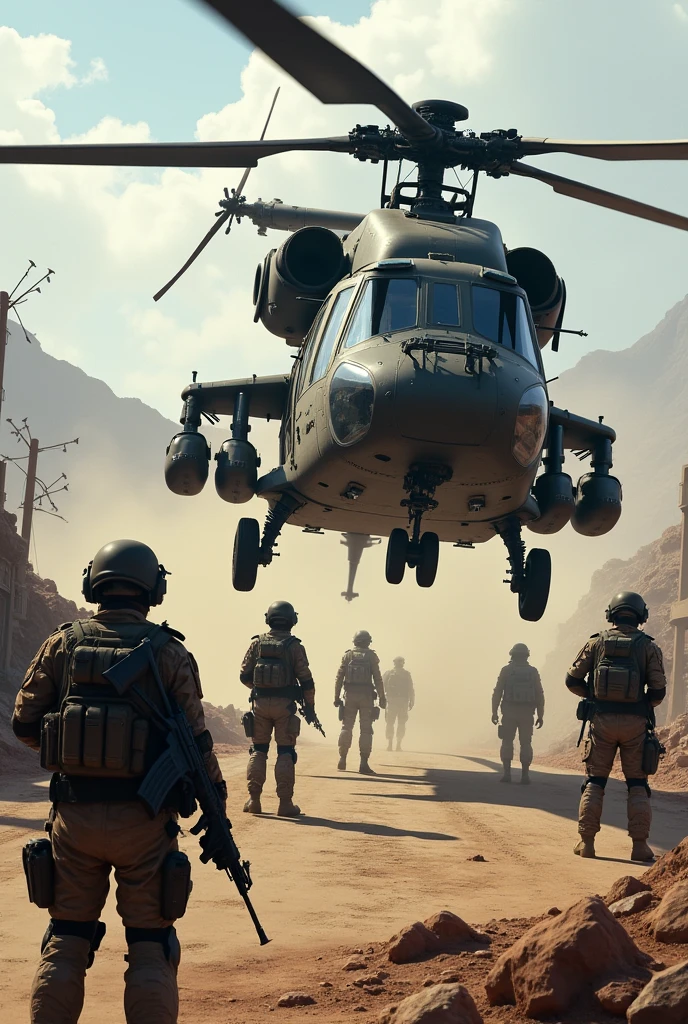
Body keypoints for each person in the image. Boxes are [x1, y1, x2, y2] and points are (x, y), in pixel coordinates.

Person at [11, 539, 225, 1024]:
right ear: (154, 589)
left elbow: (25, 723)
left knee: (65, 938)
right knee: (152, 945)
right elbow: (198, 742)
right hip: (146, 823)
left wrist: (76, 754)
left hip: (75, 817)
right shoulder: (170, 654)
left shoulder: (62, 643)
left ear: (94, 583)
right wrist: (218, 801)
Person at [566, 591, 667, 862]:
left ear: (611, 614)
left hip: (601, 723)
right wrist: (640, 706)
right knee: (637, 784)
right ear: (641, 616)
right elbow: (658, 691)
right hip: (636, 725)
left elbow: (572, 680)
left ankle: (586, 843)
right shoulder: (649, 647)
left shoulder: (596, 643)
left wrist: (594, 697)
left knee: (594, 782)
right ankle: (640, 846)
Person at [239, 600, 315, 818]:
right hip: (285, 708)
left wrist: (261, 690)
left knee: (258, 750)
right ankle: (285, 804)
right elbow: (307, 681)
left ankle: (254, 800)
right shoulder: (295, 646)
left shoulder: (257, 643)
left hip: (260, 706)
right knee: (286, 752)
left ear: (268, 619)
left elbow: (244, 676)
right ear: (292, 621)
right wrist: (309, 706)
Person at [492, 643, 544, 785]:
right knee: (526, 743)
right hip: (527, 714)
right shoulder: (533, 672)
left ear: (512, 655)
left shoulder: (506, 670)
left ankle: (507, 774)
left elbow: (497, 692)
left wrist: (494, 712)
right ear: (527, 655)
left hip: (508, 712)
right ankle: (525, 775)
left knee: (507, 741)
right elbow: (539, 694)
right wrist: (540, 715)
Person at [334, 630, 386, 774]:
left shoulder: (347, 655)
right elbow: (378, 678)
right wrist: (382, 697)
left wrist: (336, 697)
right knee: (366, 730)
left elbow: (339, 678)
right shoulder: (371, 656)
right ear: (368, 642)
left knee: (346, 727)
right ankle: (363, 763)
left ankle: (342, 759)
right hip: (366, 697)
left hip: (349, 696)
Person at [383, 656, 415, 751]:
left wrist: (382, 699)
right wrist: (412, 700)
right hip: (402, 701)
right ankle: (398, 745)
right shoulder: (406, 674)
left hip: (392, 701)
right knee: (401, 723)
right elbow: (411, 688)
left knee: (390, 723)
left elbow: (381, 686)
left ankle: (390, 744)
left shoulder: (388, 673)